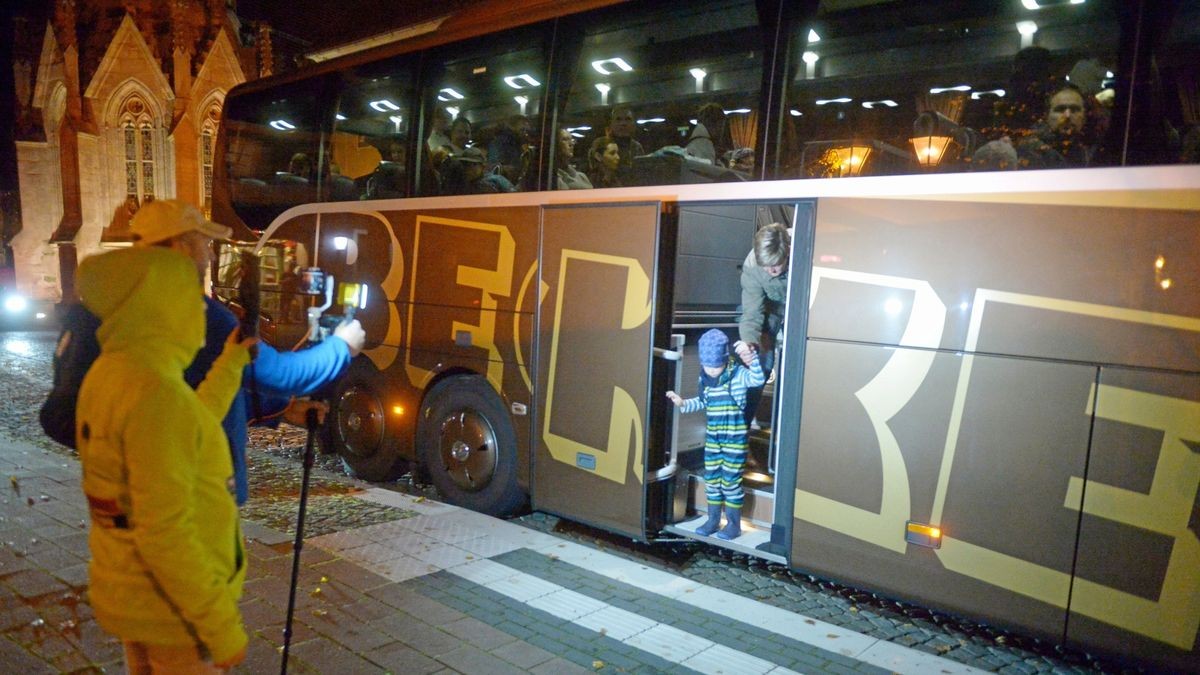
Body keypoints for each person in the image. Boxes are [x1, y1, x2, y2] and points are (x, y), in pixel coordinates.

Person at [75, 245, 251, 671]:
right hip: (170, 611)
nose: (200, 312)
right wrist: (221, 627)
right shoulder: (156, 395)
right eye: (190, 299)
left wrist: (232, 360)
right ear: (160, 310)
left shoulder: (117, 373)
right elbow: (164, 533)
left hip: (131, 592)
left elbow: (188, 426)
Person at [129, 199, 366, 505]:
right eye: (205, 243)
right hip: (199, 485)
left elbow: (203, 389)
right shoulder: (202, 316)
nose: (212, 253)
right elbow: (279, 374)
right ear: (181, 247)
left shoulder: (131, 307)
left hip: (148, 475)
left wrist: (279, 409)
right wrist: (341, 346)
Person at [666, 329, 764, 540]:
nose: (711, 370)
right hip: (713, 439)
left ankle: (733, 524)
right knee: (712, 479)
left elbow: (757, 380)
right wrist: (682, 403)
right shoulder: (705, 380)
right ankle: (712, 520)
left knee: (730, 481)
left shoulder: (738, 375)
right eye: (707, 366)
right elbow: (702, 402)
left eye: (715, 366)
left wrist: (752, 357)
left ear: (724, 359)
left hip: (734, 440)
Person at [738, 223, 790, 429]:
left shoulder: (809, 249)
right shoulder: (752, 266)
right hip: (771, 314)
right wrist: (749, 343)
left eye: (775, 265)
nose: (771, 271)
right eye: (766, 267)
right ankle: (741, 431)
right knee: (760, 365)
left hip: (806, 314)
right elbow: (751, 313)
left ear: (787, 252)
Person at [488, 114, 532, 189]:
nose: (525, 133)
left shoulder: (518, 144)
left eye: (526, 131)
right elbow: (494, 166)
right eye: (522, 129)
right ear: (512, 127)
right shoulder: (501, 142)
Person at [606, 105, 645, 175]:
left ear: (633, 124)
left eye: (628, 119)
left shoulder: (637, 147)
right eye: (618, 119)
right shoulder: (602, 145)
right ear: (611, 124)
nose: (623, 123)